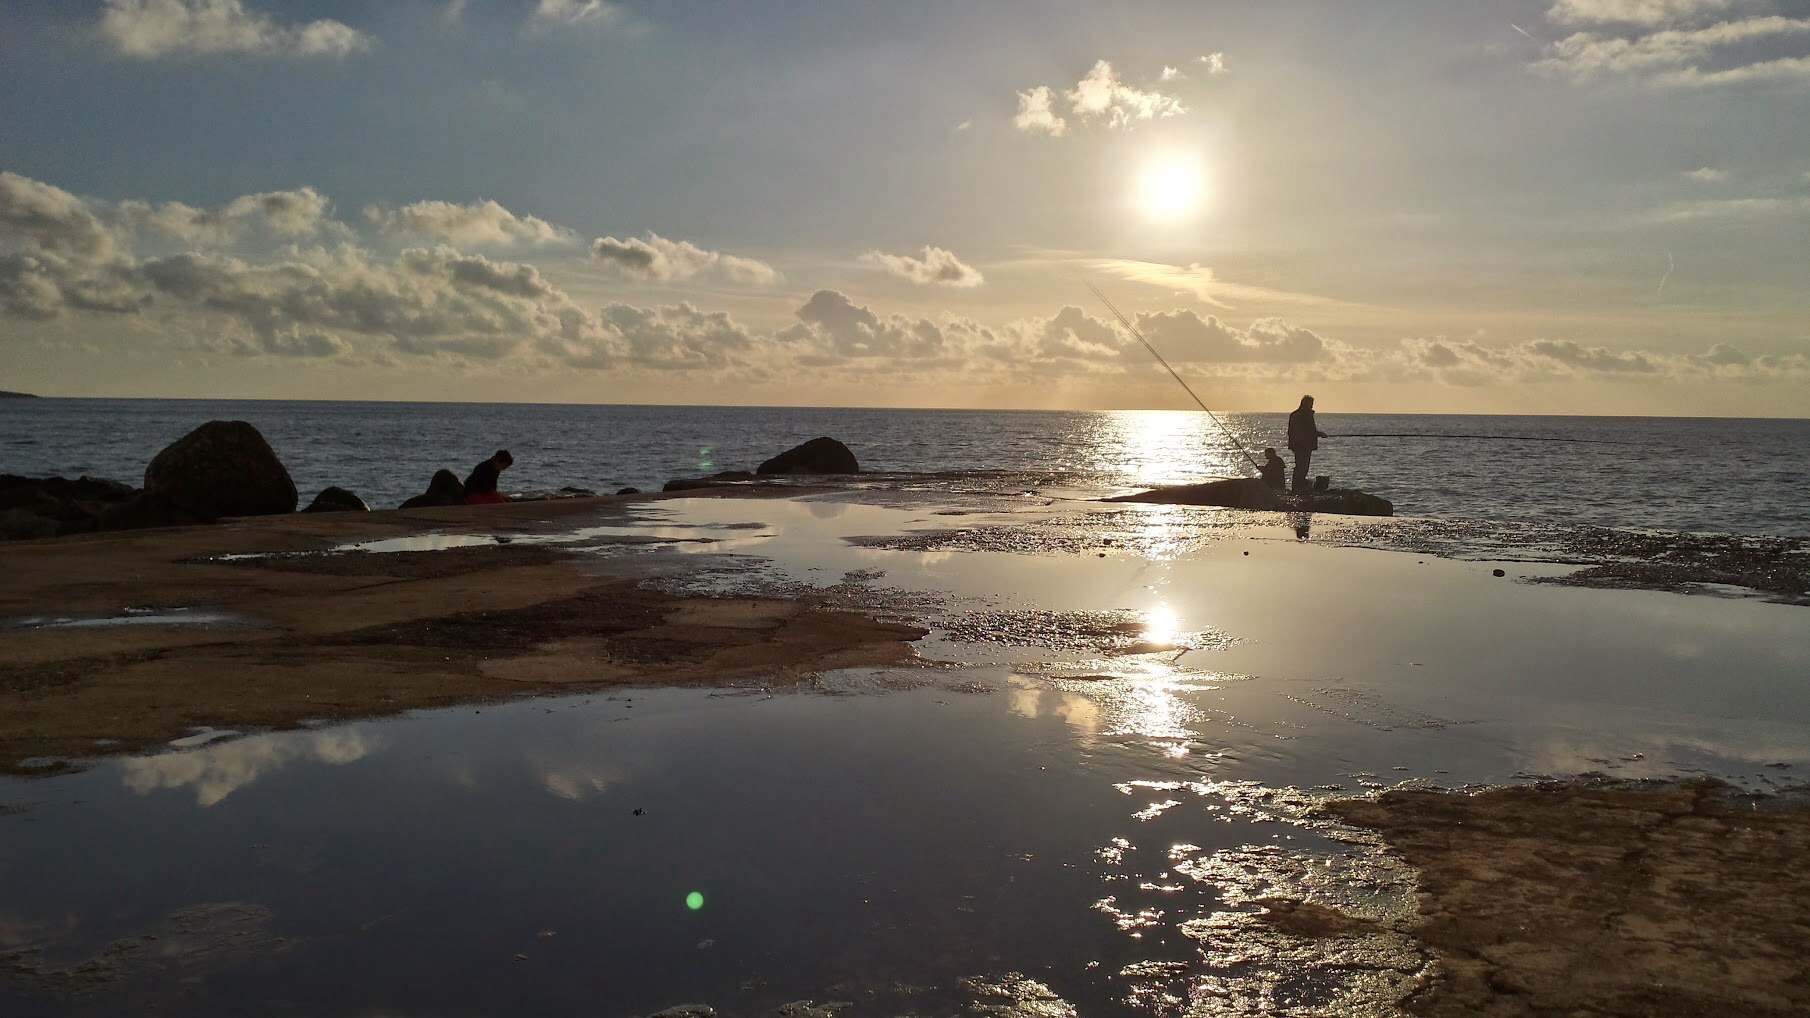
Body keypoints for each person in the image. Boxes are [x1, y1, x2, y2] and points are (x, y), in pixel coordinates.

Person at [1286, 396, 1328, 493]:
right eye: (1311, 403)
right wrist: (1320, 434)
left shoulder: (1295, 414)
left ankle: (1297, 486)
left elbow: (1294, 431)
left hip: (1299, 445)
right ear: (1306, 403)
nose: (1312, 406)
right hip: (1303, 445)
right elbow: (1309, 430)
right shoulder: (1305, 415)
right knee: (1302, 467)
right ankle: (1298, 487)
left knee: (1301, 466)